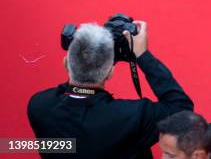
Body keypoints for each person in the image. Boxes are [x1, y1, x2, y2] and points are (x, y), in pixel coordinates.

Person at [27, 21, 193, 158]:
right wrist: (142, 54)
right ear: (110, 72)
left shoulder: (38, 106)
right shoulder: (131, 118)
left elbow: (69, 91)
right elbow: (182, 109)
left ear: (65, 64)